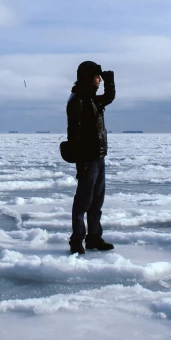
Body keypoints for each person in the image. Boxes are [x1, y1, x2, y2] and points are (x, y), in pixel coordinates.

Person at [66, 61, 116, 255]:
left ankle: (94, 238)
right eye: (97, 76)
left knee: (96, 201)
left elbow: (109, 97)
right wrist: (81, 160)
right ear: (88, 77)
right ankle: (76, 239)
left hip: (98, 157)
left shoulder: (92, 99)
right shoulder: (78, 99)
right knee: (83, 201)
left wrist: (110, 83)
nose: (99, 79)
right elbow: (74, 133)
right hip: (87, 159)